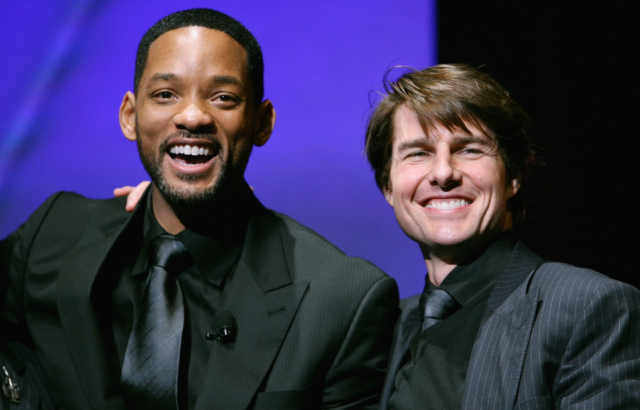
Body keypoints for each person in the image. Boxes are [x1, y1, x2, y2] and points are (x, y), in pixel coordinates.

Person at [0, 9, 399, 410]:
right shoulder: (52, 234)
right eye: (165, 95)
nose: (192, 116)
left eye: (223, 97)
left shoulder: (340, 299)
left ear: (262, 123)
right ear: (130, 116)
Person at [364, 64, 640, 410]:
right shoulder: (383, 328)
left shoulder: (587, 306)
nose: (443, 173)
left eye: (469, 150)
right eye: (418, 153)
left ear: (514, 175)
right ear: (388, 186)